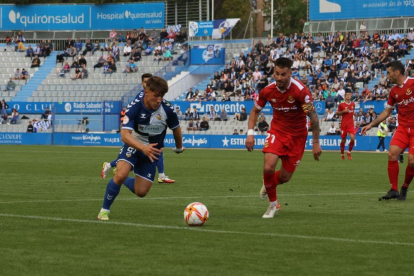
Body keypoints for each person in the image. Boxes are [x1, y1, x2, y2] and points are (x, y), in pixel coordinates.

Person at [97, 76, 184, 221]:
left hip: (152, 152)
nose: (159, 100)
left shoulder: (167, 109)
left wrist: (179, 147)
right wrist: (143, 147)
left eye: (161, 96)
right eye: (156, 95)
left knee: (141, 192)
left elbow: (176, 128)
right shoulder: (134, 108)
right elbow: (124, 135)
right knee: (120, 174)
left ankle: (121, 176)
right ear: (146, 92)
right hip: (134, 145)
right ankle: (104, 210)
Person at [245, 57, 322, 219]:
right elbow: (254, 111)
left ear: (290, 73)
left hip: (297, 137)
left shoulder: (301, 92)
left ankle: (268, 184)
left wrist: (315, 143)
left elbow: (313, 118)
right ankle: (273, 204)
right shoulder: (267, 91)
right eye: (277, 74)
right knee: (268, 167)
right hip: (277, 132)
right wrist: (250, 133)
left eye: (283, 74)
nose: (279, 78)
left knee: (285, 177)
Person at [362, 60, 414, 201]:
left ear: (397, 72)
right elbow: (387, 112)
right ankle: (394, 189)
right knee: (392, 154)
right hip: (403, 128)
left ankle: (404, 187)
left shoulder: (412, 84)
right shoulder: (393, 91)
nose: (387, 76)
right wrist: (371, 124)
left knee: (412, 162)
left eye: (389, 73)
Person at [336, 89, 356, 160]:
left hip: (351, 124)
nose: (348, 96)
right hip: (344, 124)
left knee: (353, 139)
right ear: (344, 97)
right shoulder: (341, 105)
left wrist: (354, 114)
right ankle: (342, 153)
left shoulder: (353, 104)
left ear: (351, 96)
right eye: (347, 95)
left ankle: (349, 152)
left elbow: (352, 111)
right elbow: (337, 113)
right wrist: (343, 111)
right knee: (343, 140)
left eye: (349, 95)